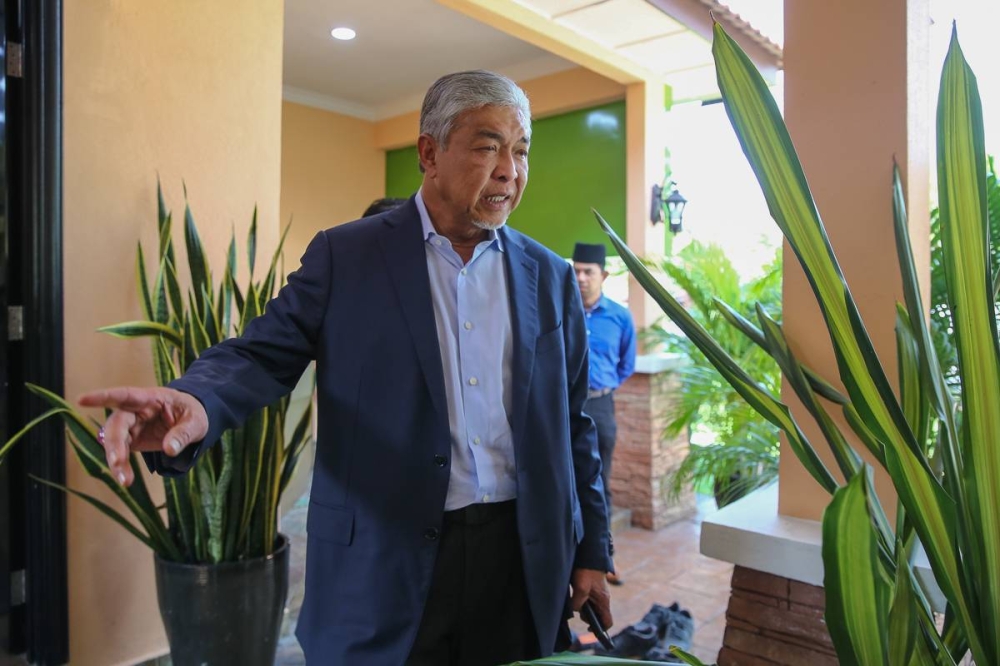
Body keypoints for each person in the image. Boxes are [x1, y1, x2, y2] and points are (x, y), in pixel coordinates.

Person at [80, 70, 613, 666]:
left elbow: (574, 424)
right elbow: (262, 352)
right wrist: (197, 401)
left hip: (518, 560)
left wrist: (591, 548)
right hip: (384, 563)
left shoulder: (550, 276)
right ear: (429, 153)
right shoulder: (347, 254)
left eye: (521, 152)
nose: (509, 171)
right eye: (489, 146)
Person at [572, 242, 636, 584]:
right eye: (576, 270)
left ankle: (603, 558)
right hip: (562, 406)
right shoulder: (559, 309)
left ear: (604, 275)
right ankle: (567, 558)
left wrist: (602, 388)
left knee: (598, 482)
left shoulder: (620, 317)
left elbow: (627, 364)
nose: (580, 278)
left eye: (588, 272)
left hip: (600, 405)